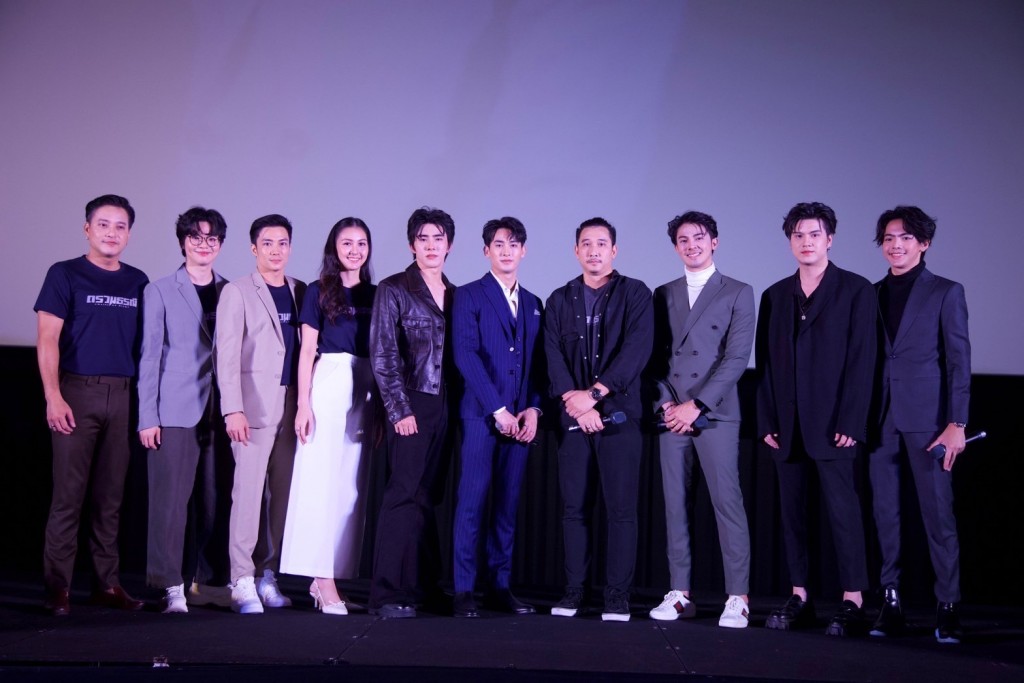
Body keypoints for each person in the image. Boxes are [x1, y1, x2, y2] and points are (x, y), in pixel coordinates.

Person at [756, 201, 875, 637]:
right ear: (790, 241)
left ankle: (853, 599)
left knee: (844, 513)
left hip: (834, 425)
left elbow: (864, 360)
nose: (806, 242)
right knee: (793, 515)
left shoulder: (857, 290)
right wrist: (767, 419)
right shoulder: (775, 295)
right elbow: (765, 364)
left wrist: (852, 420)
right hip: (786, 426)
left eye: (814, 234)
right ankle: (800, 595)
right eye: (798, 235)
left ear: (830, 239)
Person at [35, 194, 148, 615]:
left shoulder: (137, 281)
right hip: (76, 393)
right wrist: (53, 396)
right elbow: (47, 338)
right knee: (68, 497)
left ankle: (107, 584)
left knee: (110, 497)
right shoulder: (64, 274)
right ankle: (57, 588)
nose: (111, 233)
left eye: (120, 226)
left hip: (123, 394)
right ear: (87, 229)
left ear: (129, 234)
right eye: (103, 224)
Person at [866, 206, 970, 644]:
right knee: (885, 514)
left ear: (924, 243)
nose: (896, 245)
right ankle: (891, 601)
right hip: (878, 419)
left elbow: (958, 362)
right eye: (889, 238)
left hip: (929, 422)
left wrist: (957, 422)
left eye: (906, 237)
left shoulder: (946, 291)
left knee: (938, 515)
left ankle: (948, 606)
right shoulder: (870, 293)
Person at [648, 211, 755, 628]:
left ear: (714, 241)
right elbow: (654, 356)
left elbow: (736, 358)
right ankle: (680, 592)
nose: (691, 245)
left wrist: (698, 404)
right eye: (683, 240)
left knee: (727, 504)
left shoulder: (738, 291)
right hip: (671, 413)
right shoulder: (663, 293)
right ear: (675, 247)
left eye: (699, 237)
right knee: (675, 504)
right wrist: (665, 404)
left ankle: (738, 596)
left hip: (716, 412)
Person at [544, 217, 653, 622]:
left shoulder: (635, 293)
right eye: (586, 244)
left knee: (621, 510)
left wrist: (594, 398)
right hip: (574, 418)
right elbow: (552, 357)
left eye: (601, 243)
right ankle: (575, 591)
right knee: (574, 509)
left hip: (620, 418)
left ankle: (617, 596)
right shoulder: (559, 299)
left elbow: (636, 351)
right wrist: (577, 404)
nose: (594, 251)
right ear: (576, 251)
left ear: (614, 250)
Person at [280, 218, 377, 616]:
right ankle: (321, 579)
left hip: (366, 384)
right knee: (320, 483)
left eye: (361, 243)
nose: (354, 250)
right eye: (346, 243)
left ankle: (333, 575)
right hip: (330, 379)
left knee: (350, 489)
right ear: (334, 248)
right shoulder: (318, 290)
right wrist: (303, 404)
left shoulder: (377, 293)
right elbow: (306, 351)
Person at [139, 207, 232, 613]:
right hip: (174, 407)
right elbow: (149, 357)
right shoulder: (160, 290)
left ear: (221, 245)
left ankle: (207, 583)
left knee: (216, 499)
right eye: (196, 236)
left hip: (222, 408)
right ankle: (168, 584)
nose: (204, 244)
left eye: (212, 238)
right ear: (182, 241)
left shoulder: (232, 290)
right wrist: (148, 416)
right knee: (170, 502)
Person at [451, 217, 544, 618]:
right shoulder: (468, 295)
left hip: (520, 421)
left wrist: (534, 409)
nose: (507, 252)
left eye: (513, 245)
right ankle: (463, 590)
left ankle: (499, 587)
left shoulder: (535, 303)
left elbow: (539, 365)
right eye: (499, 245)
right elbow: (465, 354)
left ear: (524, 251)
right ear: (486, 251)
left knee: (506, 507)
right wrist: (498, 409)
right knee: (471, 505)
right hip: (481, 417)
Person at [368, 207, 457, 619]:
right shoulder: (394, 288)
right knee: (402, 494)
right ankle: (386, 594)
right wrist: (398, 409)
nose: (431, 246)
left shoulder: (456, 293)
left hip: (445, 404)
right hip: (411, 402)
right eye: (423, 239)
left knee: (428, 497)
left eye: (438, 238)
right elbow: (383, 354)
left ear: (449, 245)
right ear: (411, 245)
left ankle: (422, 589)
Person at [216, 214, 306, 614]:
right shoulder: (237, 291)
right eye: (267, 243)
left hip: (291, 404)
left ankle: (268, 575)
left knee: (280, 497)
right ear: (254, 248)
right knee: (248, 496)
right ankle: (241, 578)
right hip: (252, 406)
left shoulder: (300, 290)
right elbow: (227, 355)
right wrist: (232, 408)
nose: (276, 250)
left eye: (282, 243)